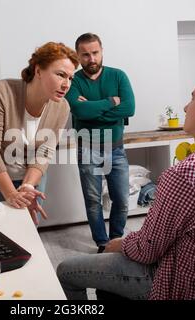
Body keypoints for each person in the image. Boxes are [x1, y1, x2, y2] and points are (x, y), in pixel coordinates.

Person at [57, 61, 195, 300]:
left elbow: (147, 250)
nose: (185, 106)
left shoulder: (187, 175)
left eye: (192, 98)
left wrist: (119, 244)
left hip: (179, 284)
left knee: (66, 270)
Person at [0, 42, 79, 225]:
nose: (66, 84)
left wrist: (28, 186)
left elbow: (45, 151)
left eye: (70, 78)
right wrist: (11, 194)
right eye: (61, 75)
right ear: (38, 71)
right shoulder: (2, 91)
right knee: (0, 229)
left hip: (32, 174)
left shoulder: (62, 107)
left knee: (28, 228)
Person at [65, 33, 135, 252]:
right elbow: (77, 109)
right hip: (87, 148)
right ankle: (102, 243)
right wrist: (110, 103)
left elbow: (129, 109)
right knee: (93, 201)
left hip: (115, 149)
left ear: (102, 51)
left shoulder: (118, 76)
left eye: (95, 53)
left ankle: (116, 239)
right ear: (78, 56)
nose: (91, 59)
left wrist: (92, 111)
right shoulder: (73, 80)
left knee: (122, 200)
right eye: (85, 55)